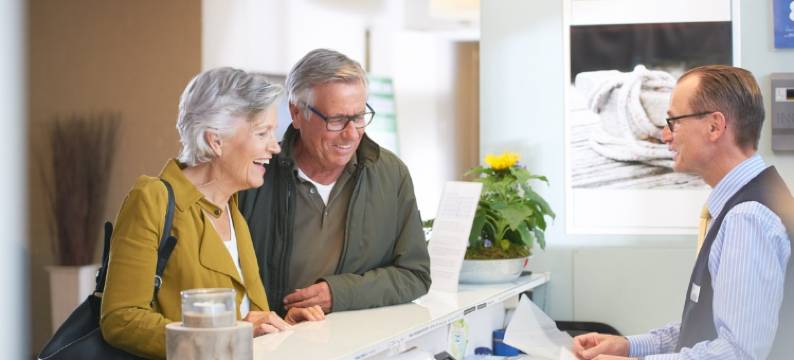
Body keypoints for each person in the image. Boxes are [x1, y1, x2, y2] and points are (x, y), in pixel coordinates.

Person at [100, 67, 325, 359]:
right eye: (262, 133)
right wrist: (229, 336)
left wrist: (281, 326)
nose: (274, 146)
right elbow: (121, 319)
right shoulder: (151, 199)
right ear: (215, 141)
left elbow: (246, 319)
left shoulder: (233, 210)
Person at [572, 65, 793, 360]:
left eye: (673, 122)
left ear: (714, 126)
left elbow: (737, 353)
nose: (665, 135)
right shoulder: (753, 201)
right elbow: (709, 328)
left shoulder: (747, 217)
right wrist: (628, 346)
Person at [239, 49, 431, 315]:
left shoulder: (391, 174)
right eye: (337, 120)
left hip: (359, 338)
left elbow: (415, 275)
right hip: (275, 336)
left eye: (359, 117)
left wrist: (340, 293)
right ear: (296, 112)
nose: (351, 134)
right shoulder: (253, 176)